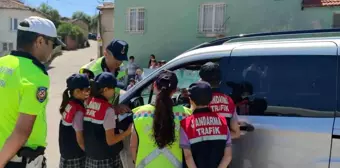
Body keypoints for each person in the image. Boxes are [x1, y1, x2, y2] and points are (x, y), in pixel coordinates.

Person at [0, 16, 65, 168]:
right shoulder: (36, 75)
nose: (53, 49)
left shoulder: (2, 63)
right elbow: (22, 132)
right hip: (16, 160)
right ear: (40, 41)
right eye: (52, 44)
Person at [130, 70, 192, 168]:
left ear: (154, 86)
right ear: (175, 90)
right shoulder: (185, 114)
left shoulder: (139, 114)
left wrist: (135, 162)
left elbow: (133, 146)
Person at [84, 72, 132, 168]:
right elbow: (111, 140)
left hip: (91, 157)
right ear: (105, 89)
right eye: (113, 88)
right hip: (106, 160)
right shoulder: (108, 110)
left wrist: (115, 110)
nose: (114, 91)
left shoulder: (89, 102)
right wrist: (127, 132)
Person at [180, 81, 232, 168]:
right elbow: (228, 156)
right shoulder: (222, 121)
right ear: (211, 100)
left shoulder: (186, 124)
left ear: (191, 100)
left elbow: (188, 157)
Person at [199, 62, 241, 139]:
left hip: (201, 148)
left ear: (201, 80)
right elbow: (236, 133)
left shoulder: (198, 100)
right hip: (223, 149)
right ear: (220, 81)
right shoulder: (228, 101)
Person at [58, 74, 90, 168]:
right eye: (87, 90)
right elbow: (80, 140)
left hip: (67, 154)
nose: (89, 92)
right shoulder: (78, 112)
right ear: (77, 91)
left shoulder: (70, 104)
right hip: (75, 156)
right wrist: (90, 154)